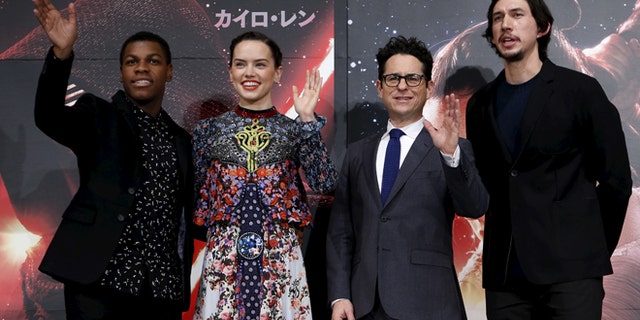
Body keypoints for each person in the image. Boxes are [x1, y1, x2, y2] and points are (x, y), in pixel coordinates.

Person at [465, 0, 633, 319]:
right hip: (505, 279)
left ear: (543, 28)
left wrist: (588, 251)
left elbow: (617, 183)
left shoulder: (581, 91)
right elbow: (486, 189)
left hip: (571, 275)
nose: (506, 24)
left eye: (517, 15)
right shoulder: (479, 106)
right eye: (498, 17)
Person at [32, 0, 199, 319]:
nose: (141, 68)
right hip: (100, 281)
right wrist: (61, 55)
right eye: (131, 62)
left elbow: (194, 215)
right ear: (122, 73)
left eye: (153, 61)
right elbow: (49, 116)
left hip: (160, 287)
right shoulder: (98, 115)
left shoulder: (182, 142)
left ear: (170, 71)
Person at [326, 35, 489, 320]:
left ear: (428, 86)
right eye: (393, 78)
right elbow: (341, 233)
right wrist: (340, 295)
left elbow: (474, 206)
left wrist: (451, 156)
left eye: (413, 78)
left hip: (430, 302)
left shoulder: (452, 148)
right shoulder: (356, 154)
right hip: (366, 306)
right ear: (379, 87)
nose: (402, 86)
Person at [191, 30, 337, 320]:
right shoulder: (207, 131)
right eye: (241, 64)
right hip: (224, 262)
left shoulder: (294, 130)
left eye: (260, 64)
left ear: (278, 72)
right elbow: (193, 195)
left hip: (278, 260)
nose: (250, 72)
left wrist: (307, 120)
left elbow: (325, 182)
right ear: (230, 71)